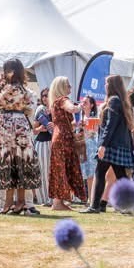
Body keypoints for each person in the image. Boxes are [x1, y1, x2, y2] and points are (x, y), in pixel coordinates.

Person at [0, 58, 41, 215]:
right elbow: (29, 110)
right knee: (21, 165)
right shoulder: (24, 89)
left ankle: (9, 204)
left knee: (9, 163)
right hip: (21, 126)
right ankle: (19, 203)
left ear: (9, 71)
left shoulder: (10, 88)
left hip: (8, 127)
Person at [83, 75, 134, 213]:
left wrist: (103, 144)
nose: (105, 86)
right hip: (117, 145)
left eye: (106, 83)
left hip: (111, 145)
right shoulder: (120, 101)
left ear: (112, 85)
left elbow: (110, 125)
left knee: (101, 173)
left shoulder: (114, 101)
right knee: (121, 177)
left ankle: (95, 206)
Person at [46, 76, 86, 211]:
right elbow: (72, 109)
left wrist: (76, 124)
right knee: (63, 168)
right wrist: (81, 105)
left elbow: (64, 122)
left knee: (60, 169)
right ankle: (58, 203)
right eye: (68, 85)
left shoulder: (54, 102)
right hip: (64, 139)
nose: (70, 88)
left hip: (58, 137)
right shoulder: (63, 100)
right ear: (62, 87)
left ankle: (58, 202)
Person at [32, 88, 53, 207]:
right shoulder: (39, 109)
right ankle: (44, 199)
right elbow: (34, 130)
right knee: (43, 171)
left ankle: (52, 198)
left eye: (47, 95)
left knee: (51, 171)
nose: (45, 98)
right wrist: (41, 128)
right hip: (42, 143)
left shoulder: (55, 108)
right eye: (43, 96)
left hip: (53, 142)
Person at [79, 95, 101, 202]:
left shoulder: (94, 117)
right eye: (83, 102)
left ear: (91, 105)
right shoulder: (81, 117)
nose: (83, 104)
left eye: (85, 102)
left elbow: (95, 133)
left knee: (92, 173)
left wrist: (88, 128)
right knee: (86, 173)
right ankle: (88, 198)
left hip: (92, 146)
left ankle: (92, 199)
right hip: (83, 146)